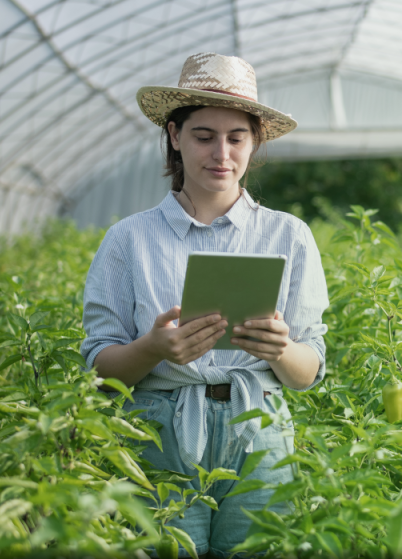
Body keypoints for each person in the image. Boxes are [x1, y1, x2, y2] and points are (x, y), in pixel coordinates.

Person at [81, 52, 329, 558]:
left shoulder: (288, 236)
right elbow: (98, 368)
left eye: (236, 137)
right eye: (203, 136)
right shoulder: (130, 240)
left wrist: (281, 351)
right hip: (159, 431)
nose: (221, 153)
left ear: (254, 141)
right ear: (174, 136)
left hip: (257, 431)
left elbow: (309, 370)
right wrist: (152, 347)